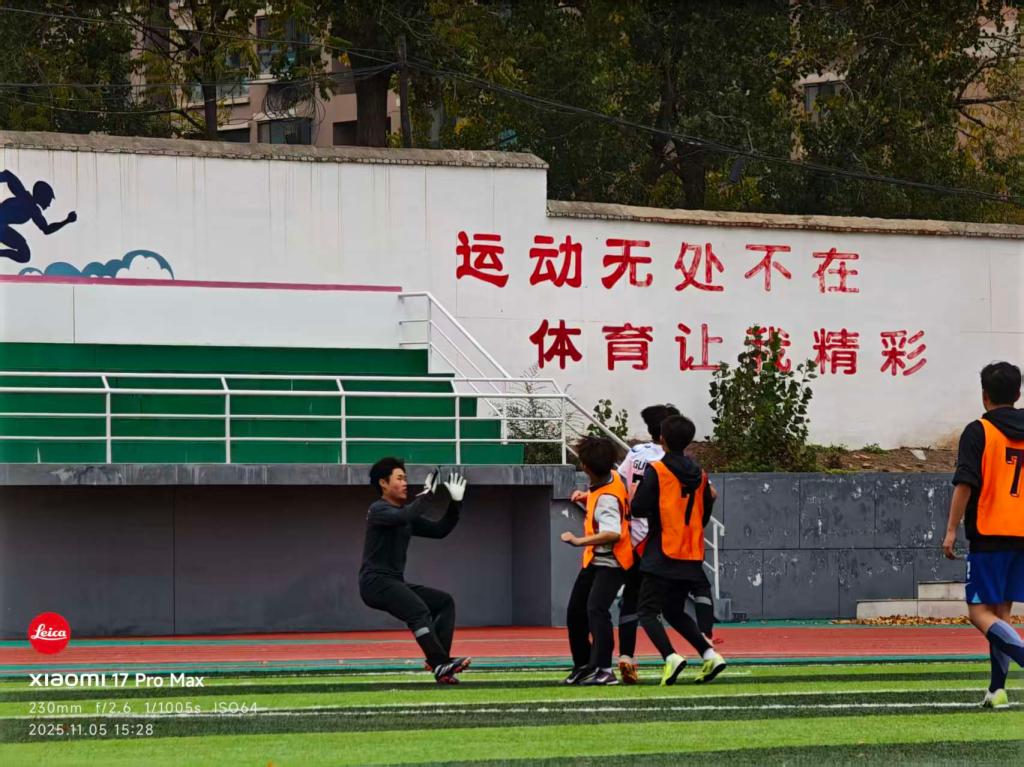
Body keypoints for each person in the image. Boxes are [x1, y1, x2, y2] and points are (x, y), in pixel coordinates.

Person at [943, 361, 1024, 709]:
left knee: (978, 612)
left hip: (990, 532)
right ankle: (997, 690)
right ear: (1017, 393)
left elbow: (965, 483)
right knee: (1000, 613)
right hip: (1021, 533)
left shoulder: (979, 431)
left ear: (985, 395)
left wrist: (951, 530)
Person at [632, 414, 727, 686]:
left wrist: (641, 494)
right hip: (691, 552)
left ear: (661, 439)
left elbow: (638, 508)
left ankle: (670, 656)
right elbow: (704, 514)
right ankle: (709, 654)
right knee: (673, 610)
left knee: (646, 611)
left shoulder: (657, 470)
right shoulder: (701, 475)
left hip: (663, 550)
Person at [358, 458, 470, 684]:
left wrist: (456, 502)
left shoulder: (405, 516)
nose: (405, 483)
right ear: (383, 483)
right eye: (399, 478)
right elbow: (403, 516)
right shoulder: (378, 510)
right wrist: (428, 495)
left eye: (405, 478)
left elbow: (440, 530)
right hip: (375, 583)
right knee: (418, 612)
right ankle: (439, 662)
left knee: (443, 602)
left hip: (393, 582)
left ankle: (440, 663)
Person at [561, 436, 634, 685]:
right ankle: (584, 664)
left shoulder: (606, 498)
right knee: (575, 611)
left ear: (586, 467)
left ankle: (604, 668)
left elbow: (612, 533)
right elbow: (602, 495)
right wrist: (585, 496)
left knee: (596, 610)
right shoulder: (611, 478)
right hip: (595, 561)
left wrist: (578, 541)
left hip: (611, 562)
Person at [0, 170, 76, 263]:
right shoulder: (24, 197)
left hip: (2, 228)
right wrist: (67, 221)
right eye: (49, 199)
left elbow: (46, 229)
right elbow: (8, 175)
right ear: (43, 196)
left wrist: (67, 221)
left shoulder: (33, 210)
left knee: (25, 254)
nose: (49, 204)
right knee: (24, 253)